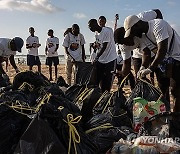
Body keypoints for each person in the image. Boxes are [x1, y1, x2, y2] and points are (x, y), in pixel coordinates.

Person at [124, 15, 180, 112]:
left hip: (177, 58)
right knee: (163, 89)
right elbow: (147, 53)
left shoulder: (158, 24)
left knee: (176, 91)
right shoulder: (143, 36)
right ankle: (167, 113)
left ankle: (176, 117)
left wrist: (150, 68)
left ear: (137, 25)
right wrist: (143, 67)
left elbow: (162, 49)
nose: (134, 35)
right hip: (166, 62)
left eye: (133, 32)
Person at [88, 19, 117, 92]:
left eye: (90, 27)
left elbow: (104, 47)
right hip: (101, 60)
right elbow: (99, 45)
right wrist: (95, 45)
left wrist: (96, 58)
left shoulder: (106, 31)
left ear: (95, 24)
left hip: (110, 59)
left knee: (107, 82)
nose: (90, 29)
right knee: (98, 80)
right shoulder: (96, 33)